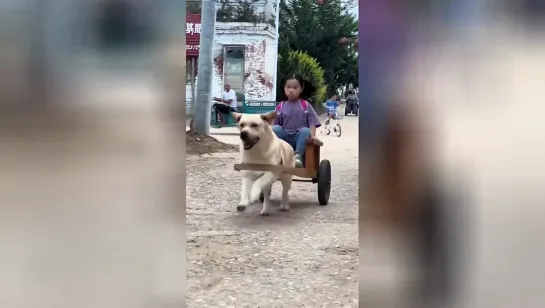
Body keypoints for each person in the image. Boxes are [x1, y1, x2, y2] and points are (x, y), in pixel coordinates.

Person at [272, 74, 321, 168]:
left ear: (301, 89)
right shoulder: (280, 106)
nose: (291, 90)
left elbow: (312, 122)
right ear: (284, 88)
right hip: (285, 137)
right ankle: (281, 156)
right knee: (276, 129)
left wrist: (313, 136)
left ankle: (297, 156)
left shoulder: (305, 105)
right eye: (288, 87)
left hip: (300, 138)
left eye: (295, 88)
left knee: (305, 130)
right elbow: (275, 124)